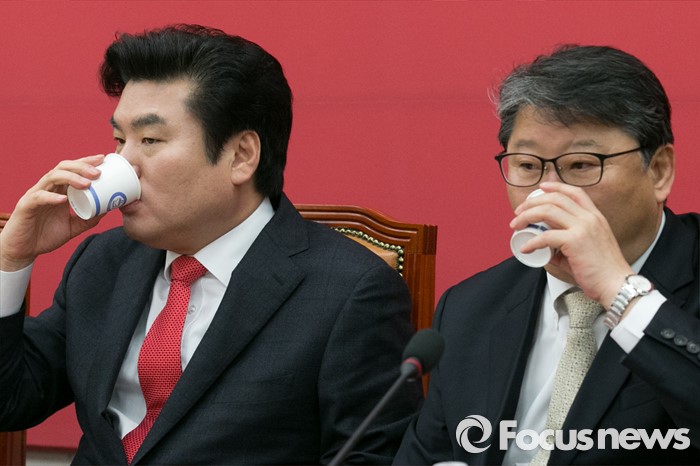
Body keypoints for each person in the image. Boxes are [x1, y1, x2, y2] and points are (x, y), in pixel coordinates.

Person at [0, 24, 422, 465]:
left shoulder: (348, 292)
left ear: (241, 156)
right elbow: (10, 399)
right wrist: (11, 257)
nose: (121, 164)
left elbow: (368, 457)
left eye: (150, 140)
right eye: (119, 141)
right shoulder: (103, 261)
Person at [394, 45, 699, 465]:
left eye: (581, 165)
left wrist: (619, 289)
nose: (548, 192)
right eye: (527, 165)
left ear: (659, 171)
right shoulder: (470, 309)